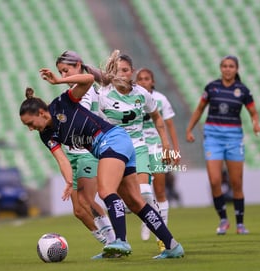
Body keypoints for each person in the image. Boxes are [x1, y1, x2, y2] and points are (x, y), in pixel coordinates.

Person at [19, 66, 184, 259]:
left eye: (30, 123)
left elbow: (88, 79)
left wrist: (58, 81)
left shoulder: (62, 103)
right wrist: (68, 182)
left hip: (112, 140)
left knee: (106, 191)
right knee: (135, 202)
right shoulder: (46, 134)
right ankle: (172, 246)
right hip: (112, 147)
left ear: (41, 112)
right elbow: (62, 160)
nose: (31, 129)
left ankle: (120, 241)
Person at [97, 52, 170, 247]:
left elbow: (157, 117)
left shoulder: (141, 94)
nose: (121, 74)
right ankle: (120, 240)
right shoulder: (103, 94)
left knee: (145, 192)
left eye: (125, 70)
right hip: (114, 151)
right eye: (118, 70)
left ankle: (162, 236)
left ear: (132, 72)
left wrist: (166, 144)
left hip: (138, 147)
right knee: (113, 197)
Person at [186, 55, 260, 235]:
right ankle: (223, 220)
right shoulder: (212, 87)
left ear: (236, 69)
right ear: (220, 68)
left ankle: (240, 224)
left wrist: (256, 124)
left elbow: (253, 112)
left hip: (234, 139)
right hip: (213, 138)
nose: (227, 69)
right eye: (224, 66)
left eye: (231, 66)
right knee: (215, 181)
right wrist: (189, 129)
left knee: (237, 183)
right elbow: (199, 109)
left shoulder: (242, 90)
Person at [55, 50, 115, 246]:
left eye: (66, 71)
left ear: (78, 66)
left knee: (87, 200)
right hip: (72, 152)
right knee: (79, 210)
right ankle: (107, 243)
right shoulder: (72, 91)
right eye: (61, 72)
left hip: (86, 152)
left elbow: (80, 120)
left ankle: (114, 241)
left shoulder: (86, 90)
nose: (64, 76)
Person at [135, 67, 181, 251]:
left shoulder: (161, 100)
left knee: (160, 190)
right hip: (138, 146)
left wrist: (174, 151)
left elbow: (170, 126)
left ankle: (163, 230)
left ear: (152, 82)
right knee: (144, 191)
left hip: (156, 147)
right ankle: (149, 220)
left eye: (147, 78)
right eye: (140, 79)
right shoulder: (133, 98)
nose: (144, 81)